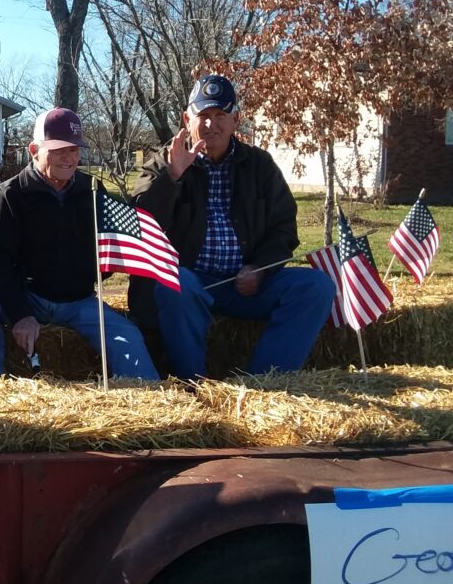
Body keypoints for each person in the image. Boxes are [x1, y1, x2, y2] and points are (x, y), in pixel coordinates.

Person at [130, 74, 336, 380]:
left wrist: (261, 268)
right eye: (203, 116)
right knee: (176, 281)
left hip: (247, 283)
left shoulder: (259, 165)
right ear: (188, 119)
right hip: (190, 285)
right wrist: (173, 176)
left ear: (236, 119)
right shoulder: (163, 162)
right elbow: (139, 225)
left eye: (220, 115)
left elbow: (283, 228)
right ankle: (194, 386)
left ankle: (262, 383)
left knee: (316, 287)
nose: (212, 124)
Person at [0, 108, 159, 381]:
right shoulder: (13, 193)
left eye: (75, 150)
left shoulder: (91, 189)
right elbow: (0, 263)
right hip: (31, 297)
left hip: (80, 302)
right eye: (58, 150)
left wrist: (103, 267)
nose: (69, 158)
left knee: (128, 336)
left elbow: (107, 250)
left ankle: (148, 404)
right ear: (34, 150)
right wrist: (20, 314)